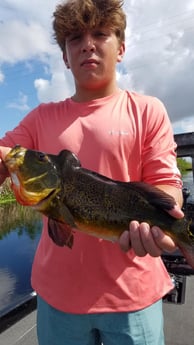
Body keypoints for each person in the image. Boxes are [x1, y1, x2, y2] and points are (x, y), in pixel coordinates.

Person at [0, 0, 184, 344]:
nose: (87, 44)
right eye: (74, 38)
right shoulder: (40, 117)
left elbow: (165, 185)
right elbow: (7, 155)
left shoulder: (147, 110)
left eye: (100, 33)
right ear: (65, 58)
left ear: (122, 48)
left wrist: (164, 224)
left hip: (134, 297)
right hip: (58, 298)